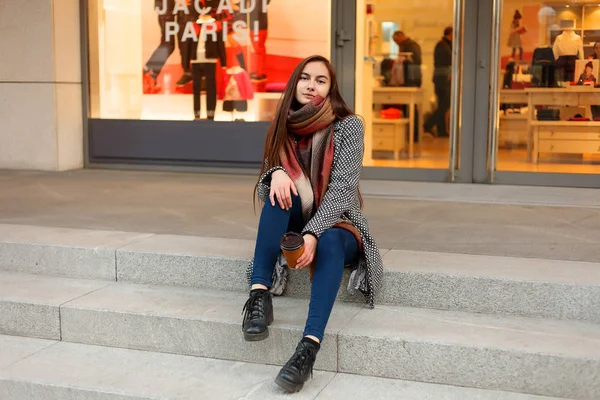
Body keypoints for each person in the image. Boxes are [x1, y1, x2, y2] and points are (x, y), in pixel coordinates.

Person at [242, 55, 383, 393]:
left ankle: (308, 347)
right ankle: (258, 295)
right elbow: (266, 181)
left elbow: (341, 191)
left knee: (332, 241)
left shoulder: (348, 125)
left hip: (339, 221)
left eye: (321, 80)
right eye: (305, 78)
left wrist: (312, 234)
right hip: (296, 216)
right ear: (295, 84)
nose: (311, 85)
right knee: (278, 193)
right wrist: (275, 173)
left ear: (331, 88)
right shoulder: (283, 124)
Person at [425, 26, 453, 137]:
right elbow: (444, 63)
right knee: (444, 104)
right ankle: (428, 124)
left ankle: (441, 130)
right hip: (442, 79)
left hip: (443, 78)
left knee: (444, 105)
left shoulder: (445, 45)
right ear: (450, 34)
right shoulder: (442, 46)